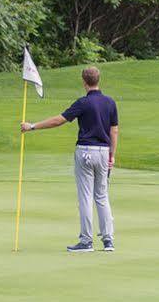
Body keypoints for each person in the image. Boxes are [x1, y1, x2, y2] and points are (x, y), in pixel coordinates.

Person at [21, 65, 119, 253]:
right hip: (104, 151)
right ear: (98, 80)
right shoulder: (110, 102)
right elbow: (114, 130)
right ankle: (108, 241)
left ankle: (86, 241)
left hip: (85, 151)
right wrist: (112, 154)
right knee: (102, 196)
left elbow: (59, 120)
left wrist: (32, 126)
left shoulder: (83, 103)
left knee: (85, 196)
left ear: (84, 82)